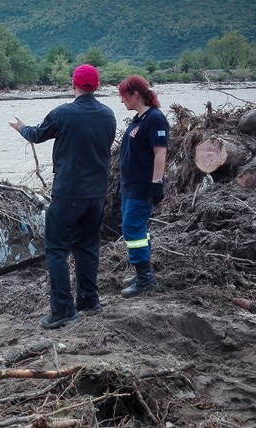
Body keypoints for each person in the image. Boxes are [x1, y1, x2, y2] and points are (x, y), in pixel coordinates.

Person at [8, 64, 117, 329]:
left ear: (74, 84)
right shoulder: (108, 115)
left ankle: (63, 309)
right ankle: (89, 300)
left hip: (68, 192)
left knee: (56, 250)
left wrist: (21, 127)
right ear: (98, 86)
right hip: (97, 193)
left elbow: (37, 135)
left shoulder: (63, 113)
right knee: (87, 247)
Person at [117, 75, 169, 298]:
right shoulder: (139, 118)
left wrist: (156, 184)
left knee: (133, 229)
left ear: (135, 95)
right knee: (137, 230)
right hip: (129, 186)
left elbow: (160, 153)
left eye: (123, 96)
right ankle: (142, 271)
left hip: (142, 187)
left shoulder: (155, 119)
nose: (121, 101)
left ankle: (145, 278)